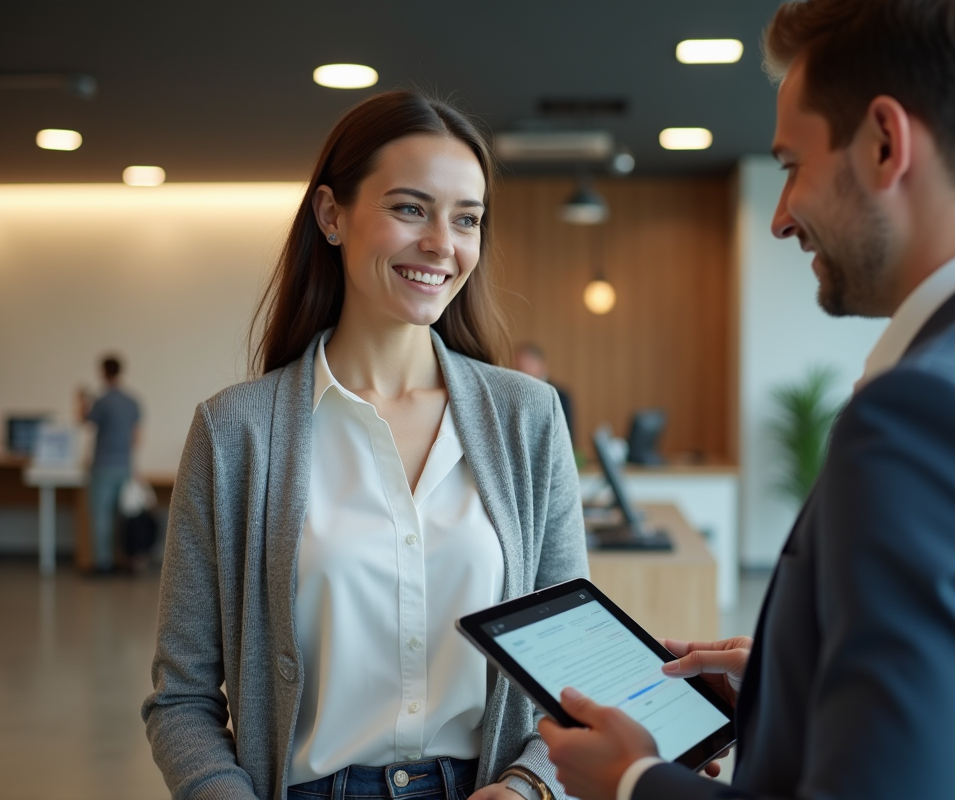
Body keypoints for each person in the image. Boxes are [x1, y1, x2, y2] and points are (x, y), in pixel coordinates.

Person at [538, 2, 955, 799]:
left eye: (791, 165)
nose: (781, 217)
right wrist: (794, 687)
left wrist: (633, 780)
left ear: (886, 143)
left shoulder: (930, 416)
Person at [142, 91, 588, 800]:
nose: (442, 243)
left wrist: (528, 787)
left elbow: (571, 675)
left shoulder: (527, 418)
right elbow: (182, 700)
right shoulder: (234, 433)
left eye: (466, 218)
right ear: (331, 215)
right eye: (411, 208)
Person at [77, 354, 141, 574]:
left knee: (100, 516)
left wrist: (81, 400)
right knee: (122, 515)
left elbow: (84, 421)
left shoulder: (102, 401)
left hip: (103, 465)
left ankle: (102, 563)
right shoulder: (132, 401)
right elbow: (136, 437)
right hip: (124, 465)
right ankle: (123, 560)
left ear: (103, 372)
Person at [514, 342, 574, 444]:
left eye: (527, 366)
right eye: (517, 368)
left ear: (541, 365)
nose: (521, 373)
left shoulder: (560, 396)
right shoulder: (514, 394)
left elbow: (566, 438)